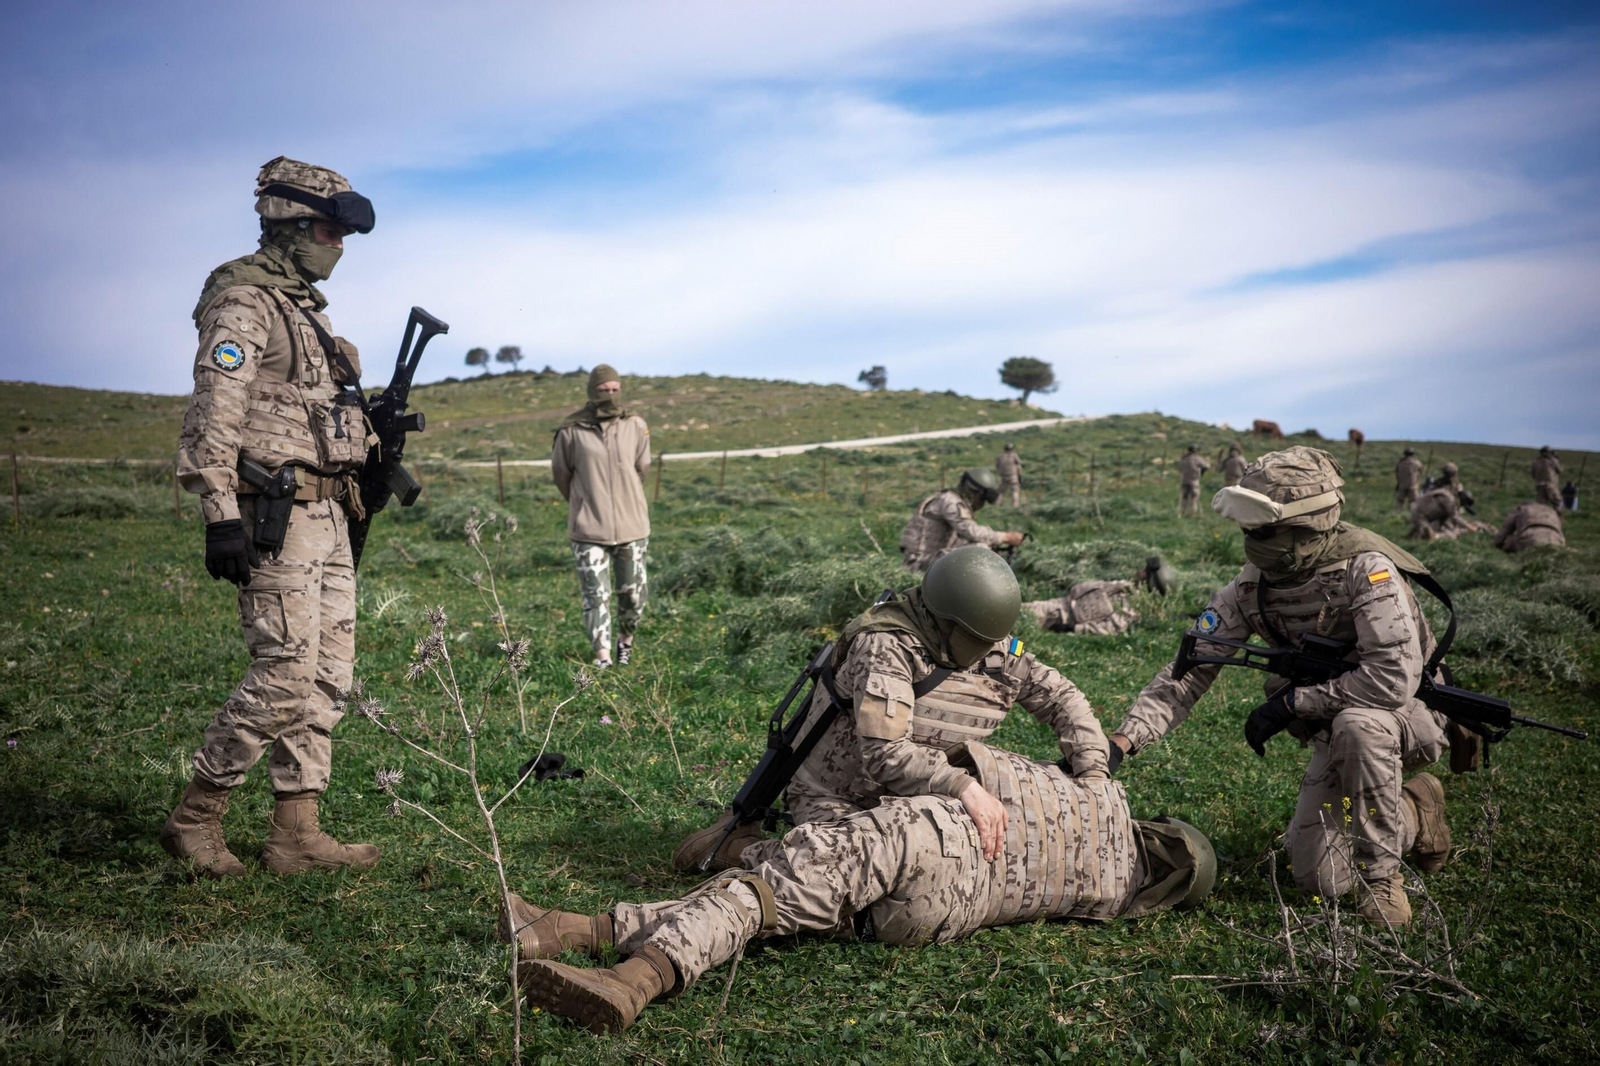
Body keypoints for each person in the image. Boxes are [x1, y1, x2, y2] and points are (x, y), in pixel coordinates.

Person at [504, 741, 1215, 1033]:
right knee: (783, 905)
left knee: (760, 892)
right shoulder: (1110, 898)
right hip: (939, 915)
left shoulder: (1105, 796)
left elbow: (971, 760)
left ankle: (634, 980)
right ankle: (564, 930)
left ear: (1158, 830)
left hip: (924, 837)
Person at [1106, 447, 1453, 926]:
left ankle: (1383, 881)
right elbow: (1191, 668)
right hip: (1337, 728)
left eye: (1265, 531)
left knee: (1359, 726)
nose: (1254, 543)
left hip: (1406, 716)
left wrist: (1295, 701)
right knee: (1320, 881)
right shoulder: (1253, 588)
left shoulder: (1367, 571)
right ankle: (1417, 810)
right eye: (1249, 532)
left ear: (1308, 525)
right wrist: (1123, 741)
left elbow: (1390, 680)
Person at [164, 156, 382, 878]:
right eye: (329, 229)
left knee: (327, 678)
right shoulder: (245, 303)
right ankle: (196, 817)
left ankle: (296, 831)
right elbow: (215, 412)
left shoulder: (306, 311)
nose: (338, 245)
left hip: (327, 517)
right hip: (273, 518)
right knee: (285, 672)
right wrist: (219, 512)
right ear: (289, 225)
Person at [671, 546, 1110, 871]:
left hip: (914, 796)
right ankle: (740, 852)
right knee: (855, 868)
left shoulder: (990, 645)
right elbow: (887, 754)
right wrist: (966, 788)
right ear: (944, 621)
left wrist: (1093, 777)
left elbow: (1064, 700)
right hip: (837, 798)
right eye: (975, 642)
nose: (984, 654)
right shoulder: (884, 646)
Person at [552, 365, 652, 668]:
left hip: (632, 526)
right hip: (588, 530)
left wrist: (626, 498)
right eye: (603, 390)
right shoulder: (571, 431)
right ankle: (603, 657)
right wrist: (584, 502)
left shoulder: (635, 424)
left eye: (614, 389)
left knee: (633, 595)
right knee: (596, 596)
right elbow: (561, 475)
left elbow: (641, 467)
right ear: (591, 392)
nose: (609, 395)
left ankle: (625, 641)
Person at [898, 468, 1024, 572]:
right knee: (979, 549)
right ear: (975, 493)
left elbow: (956, 539)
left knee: (983, 548)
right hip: (918, 564)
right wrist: (1005, 537)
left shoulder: (947, 499)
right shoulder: (950, 502)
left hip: (928, 559)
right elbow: (971, 532)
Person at [1408, 463, 1491, 541]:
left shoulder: (1437, 484)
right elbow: (1455, 516)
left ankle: (1420, 531)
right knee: (1451, 532)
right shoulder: (1453, 489)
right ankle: (1433, 534)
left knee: (1427, 528)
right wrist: (1470, 527)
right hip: (1436, 513)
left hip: (1425, 511)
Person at [1494, 502, 1566, 553]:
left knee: (1508, 540)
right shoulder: (1552, 512)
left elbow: (1505, 530)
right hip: (1554, 541)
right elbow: (1560, 534)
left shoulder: (1522, 509)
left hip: (1531, 539)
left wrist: (1497, 542)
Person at [1178, 444, 1211, 518]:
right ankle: (1193, 514)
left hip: (1184, 480)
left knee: (1184, 498)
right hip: (1194, 480)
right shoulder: (1197, 458)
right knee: (1194, 498)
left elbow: (1180, 468)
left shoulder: (1184, 458)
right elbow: (1207, 466)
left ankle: (1181, 513)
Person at [1394, 448, 1424, 512]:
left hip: (1402, 485)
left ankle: (1397, 514)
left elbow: (1397, 473)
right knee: (1413, 501)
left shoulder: (1400, 463)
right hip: (1413, 485)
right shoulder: (1416, 463)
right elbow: (1422, 471)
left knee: (1400, 501)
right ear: (1413, 454)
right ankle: (1413, 515)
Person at [995, 442, 1023, 507]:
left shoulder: (1000, 456)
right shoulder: (1014, 455)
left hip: (1003, 477)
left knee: (1001, 492)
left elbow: (997, 466)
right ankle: (1015, 505)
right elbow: (1019, 464)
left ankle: (997, 504)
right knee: (1014, 491)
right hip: (1013, 477)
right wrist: (1018, 474)